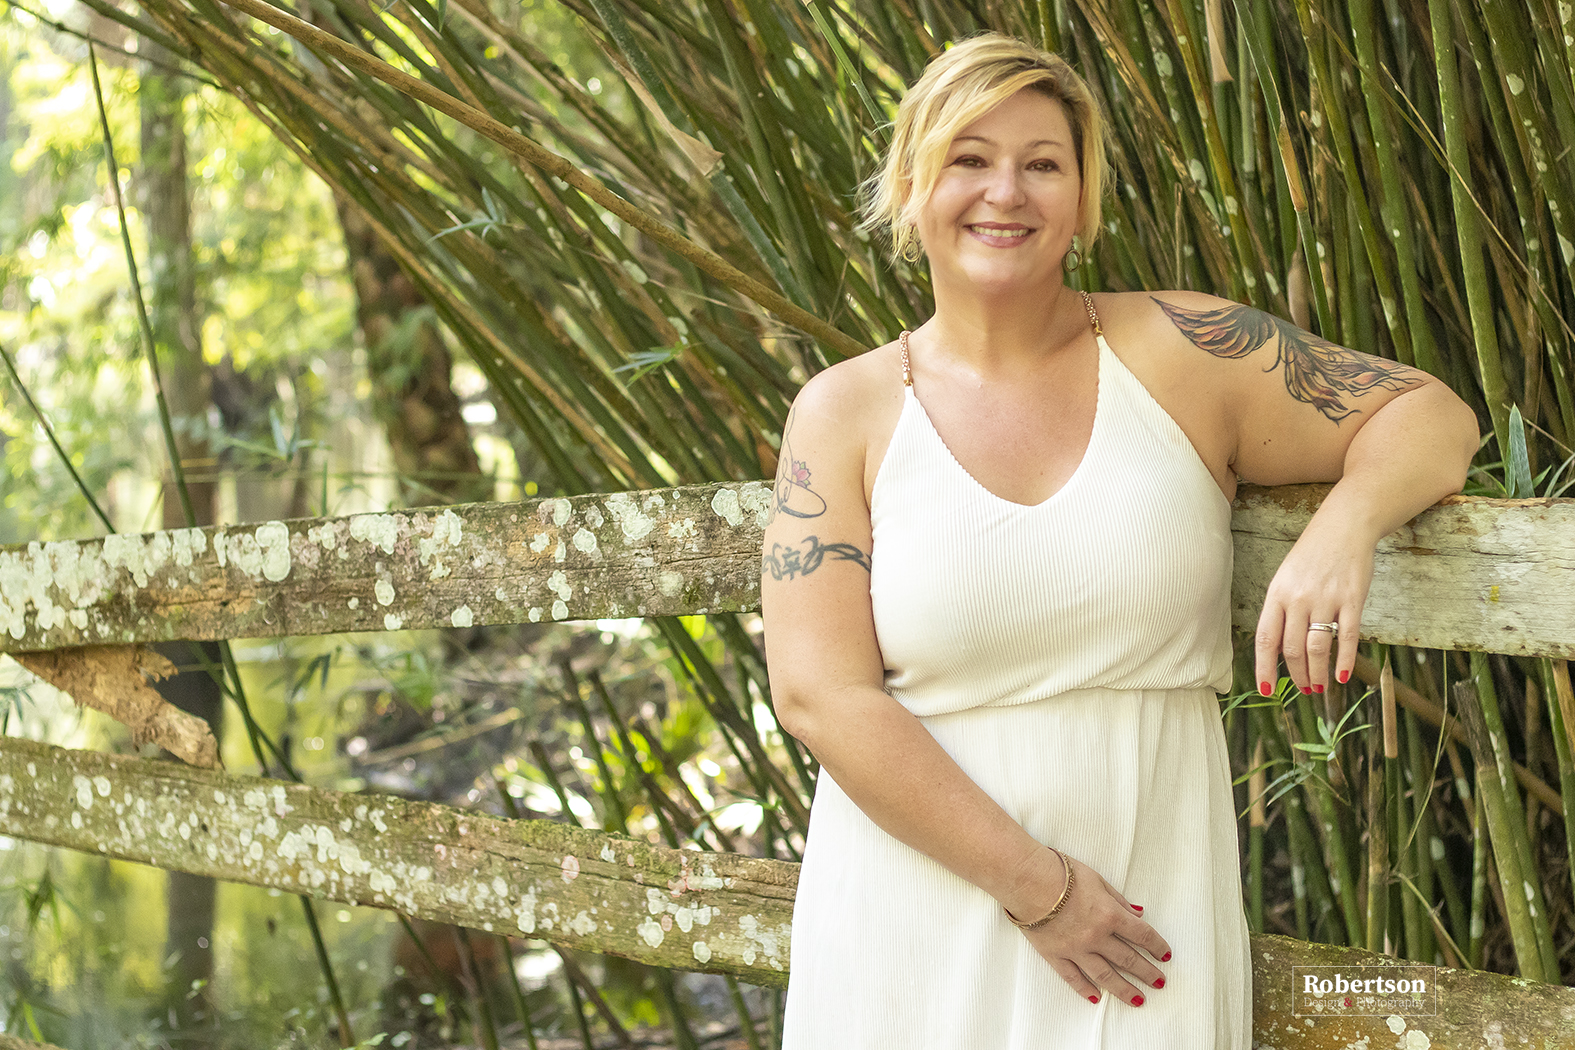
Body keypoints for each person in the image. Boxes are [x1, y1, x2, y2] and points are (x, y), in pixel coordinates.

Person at [758, 32, 1478, 1050]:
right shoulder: (844, 412)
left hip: (1146, 908)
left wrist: (1343, 525)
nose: (1005, 192)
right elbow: (818, 694)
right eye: (969, 158)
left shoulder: (1184, 351)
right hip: (920, 907)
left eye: (1042, 164)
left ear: (1084, 196)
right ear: (912, 187)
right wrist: (1039, 889)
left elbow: (1431, 416)